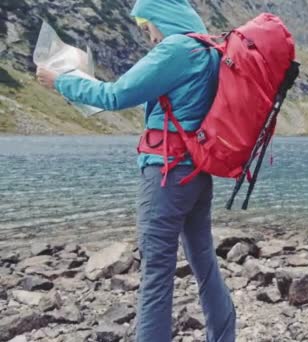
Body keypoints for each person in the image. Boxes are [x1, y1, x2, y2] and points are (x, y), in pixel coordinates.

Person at [36, 0, 236, 341]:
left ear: (162, 16)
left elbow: (116, 95)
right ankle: (222, 336)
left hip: (166, 174)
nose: (150, 37)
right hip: (197, 173)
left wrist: (61, 81)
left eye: (148, 27)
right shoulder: (208, 50)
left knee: (156, 271)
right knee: (204, 262)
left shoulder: (176, 49)